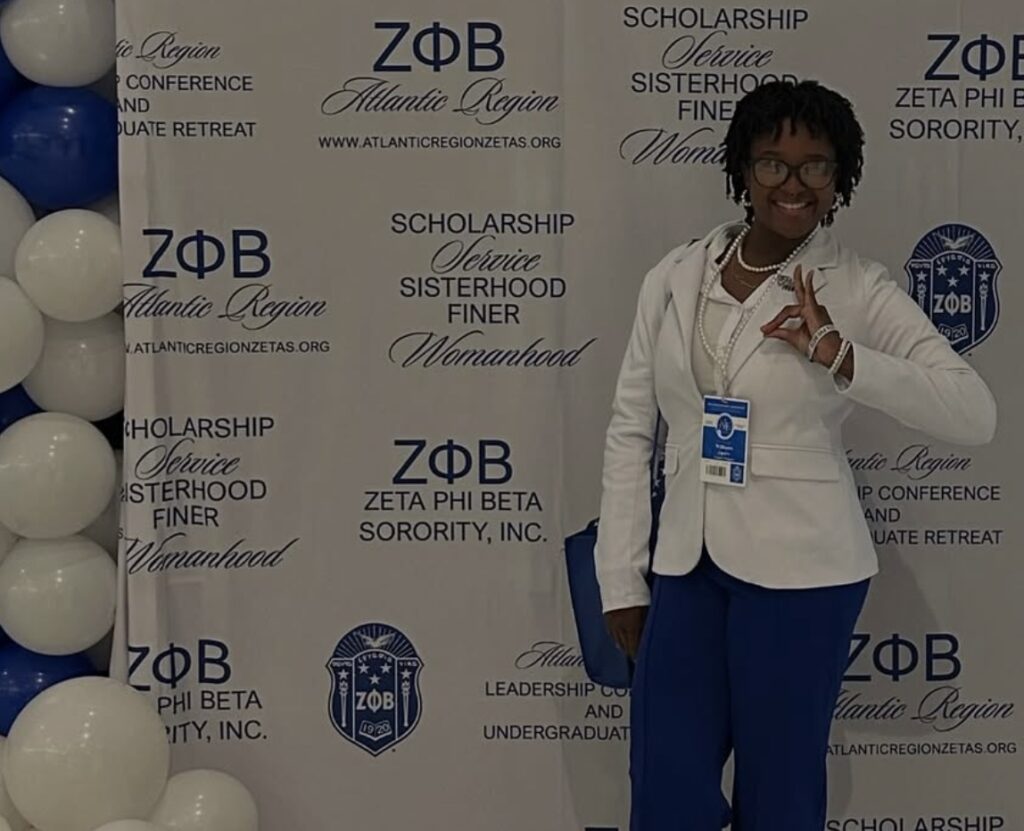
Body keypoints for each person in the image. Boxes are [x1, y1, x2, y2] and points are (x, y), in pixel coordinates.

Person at [594, 79, 997, 831]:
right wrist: (622, 573)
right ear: (741, 170)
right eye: (772, 162)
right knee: (664, 785)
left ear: (840, 178)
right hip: (686, 565)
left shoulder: (861, 287)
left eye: (815, 165)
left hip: (803, 573)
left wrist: (843, 355)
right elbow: (629, 427)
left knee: (780, 794)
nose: (793, 182)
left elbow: (974, 412)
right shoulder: (676, 275)